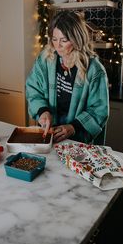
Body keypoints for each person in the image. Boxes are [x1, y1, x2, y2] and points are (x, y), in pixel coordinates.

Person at [26, 10, 109, 144]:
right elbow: (33, 88)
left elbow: (99, 110)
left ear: (77, 39)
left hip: (79, 141)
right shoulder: (46, 59)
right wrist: (43, 111)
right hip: (50, 135)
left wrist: (73, 127)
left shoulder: (94, 70)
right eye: (54, 39)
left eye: (64, 40)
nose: (57, 45)